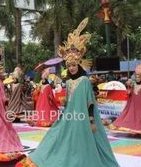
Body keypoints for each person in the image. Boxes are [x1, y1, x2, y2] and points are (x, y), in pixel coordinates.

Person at [16, 18, 119, 167]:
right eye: (69, 65)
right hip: (70, 116)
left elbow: (89, 102)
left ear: (79, 63)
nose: (71, 68)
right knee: (56, 135)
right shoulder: (69, 82)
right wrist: (65, 103)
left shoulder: (84, 80)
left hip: (83, 118)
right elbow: (69, 101)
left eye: (74, 65)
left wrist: (91, 121)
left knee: (83, 143)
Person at [109, 64, 141, 134]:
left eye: (139, 76)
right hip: (133, 108)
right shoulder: (132, 84)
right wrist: (129, 86)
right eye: (136, 75)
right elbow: (128, 94)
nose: (137, 77)